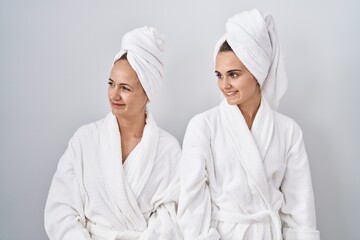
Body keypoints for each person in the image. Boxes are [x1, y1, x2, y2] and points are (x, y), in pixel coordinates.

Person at [177, 9, 320, 240]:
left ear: (256, 73)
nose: (224, 85)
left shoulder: (288, 131)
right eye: (219, 75)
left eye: (233, 74)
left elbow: (300, 209)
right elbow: (191, 207)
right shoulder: (203, 126)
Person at [45, 26, 182, 240]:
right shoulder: (85, 140)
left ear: (148, 93)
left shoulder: (168, 150)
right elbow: (61, 209)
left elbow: (170, 220)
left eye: (125, 88)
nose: (114, 95)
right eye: (111, 84)